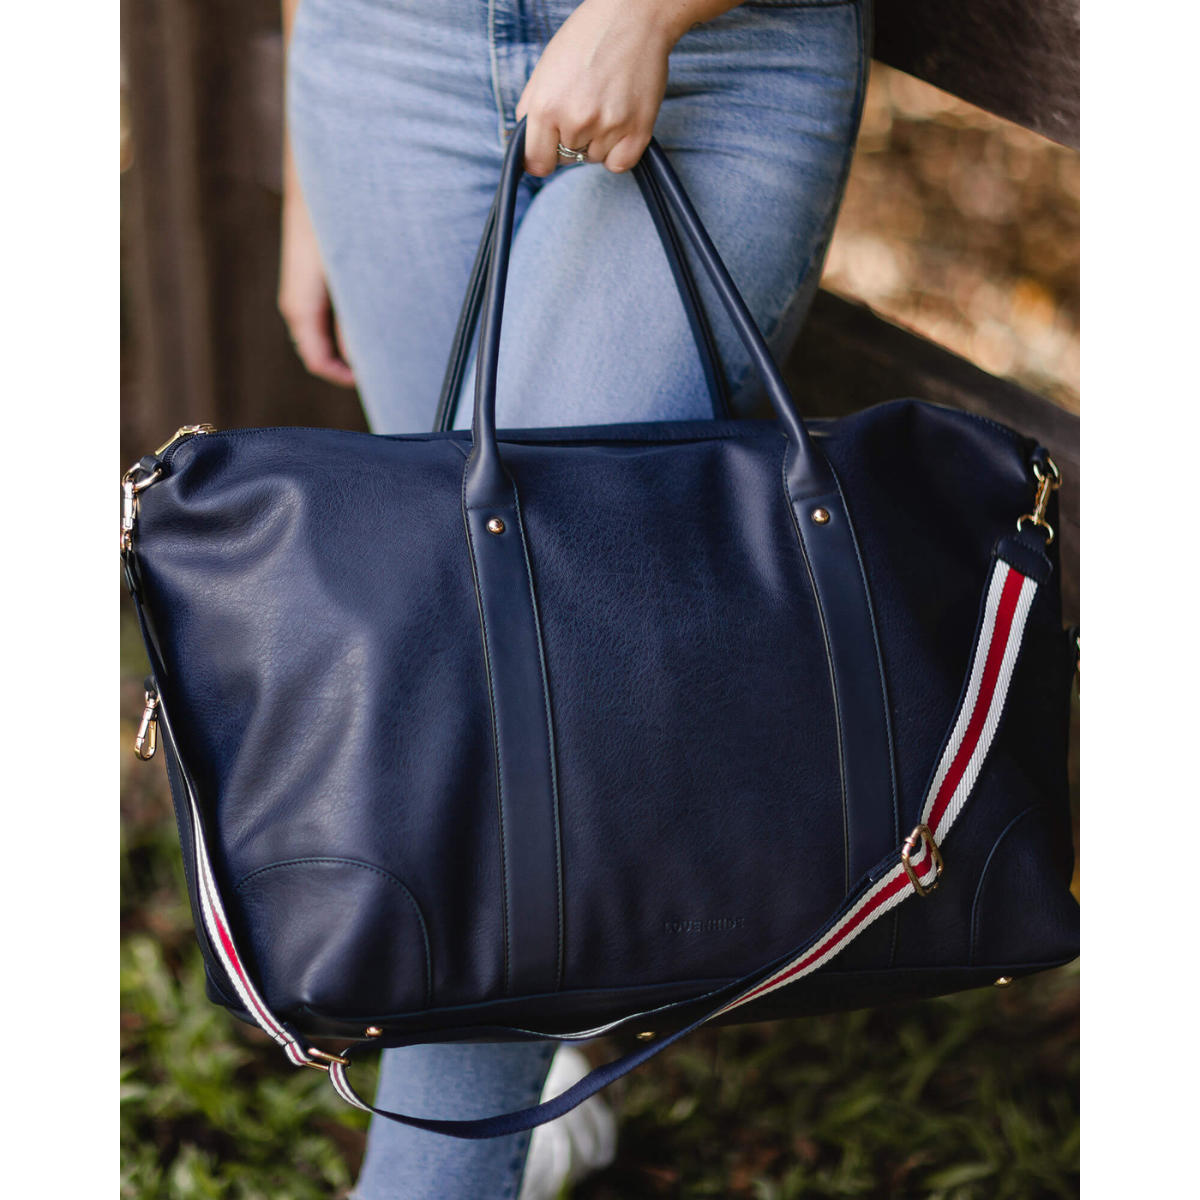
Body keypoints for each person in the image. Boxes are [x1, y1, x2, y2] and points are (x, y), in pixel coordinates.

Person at [278, 0, 869, 1194]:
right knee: (456, 632)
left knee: (507, 700)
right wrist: (307, 173)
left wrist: (646, 14)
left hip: (704, 57)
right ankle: (553, 1042)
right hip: (384, 60)